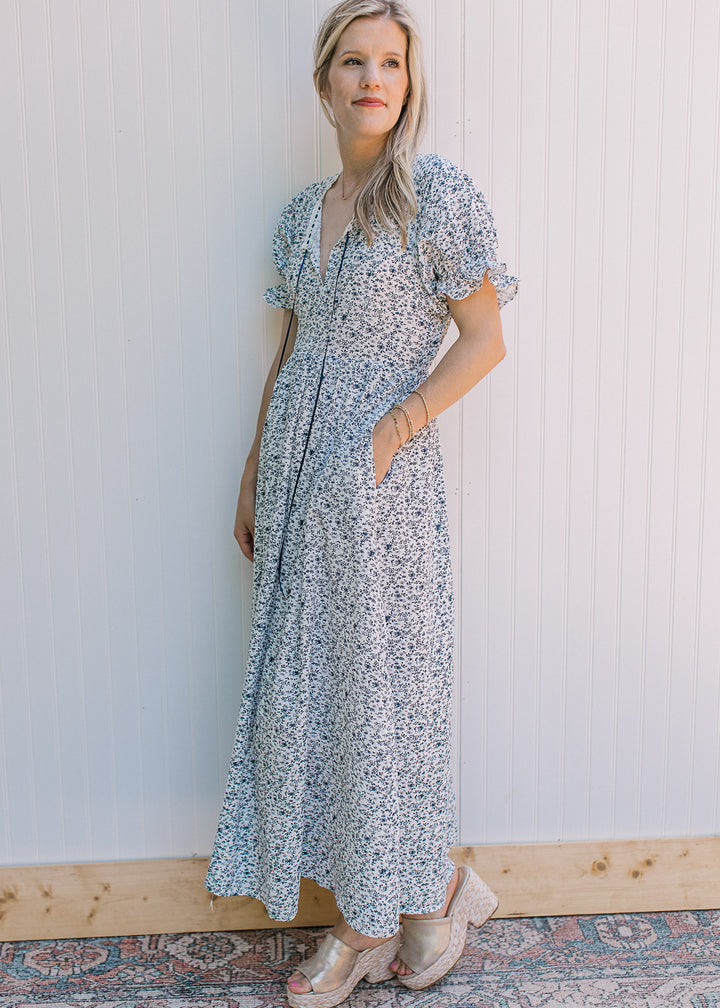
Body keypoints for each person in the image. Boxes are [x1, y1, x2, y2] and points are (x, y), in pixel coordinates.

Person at [205, 1, 518, 1005]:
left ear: (410, 81)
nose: (372, 77)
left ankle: (368, 924)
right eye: (352, 60)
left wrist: (388, 435)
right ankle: (427, 891)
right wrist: (257, 465)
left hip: (381, 490)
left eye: (391, 61)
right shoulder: (303, 214)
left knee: (385, 700)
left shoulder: (434, 196)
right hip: (298, 487)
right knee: (321, 697)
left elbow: (484, 339)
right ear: (323, 80)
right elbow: (294, 349)